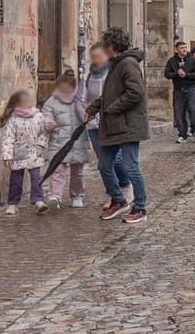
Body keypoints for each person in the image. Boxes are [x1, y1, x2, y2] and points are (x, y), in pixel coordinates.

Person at [90, 27, 150, 224]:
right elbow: (110, 94)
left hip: (127, 125)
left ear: (111, 46)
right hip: (114, 125)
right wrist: (93, 108)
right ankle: (118, 199)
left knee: (130, 166)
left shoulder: (128, 64)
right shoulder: (116, 65)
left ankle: (140, 207)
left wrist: (113, 108)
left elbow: (136, 93)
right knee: (105, 165)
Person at [84, 43, 131, 208]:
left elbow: (115, 95)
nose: (96, 60)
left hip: (110, 121)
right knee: (104, 162)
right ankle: (113, 194)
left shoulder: (114, 73)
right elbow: (81, 97)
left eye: (99, 56)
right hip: (93, 124)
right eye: (93, 57)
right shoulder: (88, 75)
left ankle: (125, 185)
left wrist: (107, 108)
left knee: (116, 160)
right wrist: (86, 110)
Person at [0, 89, 51, 215]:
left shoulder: (38, 116)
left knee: (36, 178)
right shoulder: (13, 119)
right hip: (18, 155)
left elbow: (44, 132)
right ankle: (13, 203)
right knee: (16, 180)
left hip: (34, 154)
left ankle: (38, 201)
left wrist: (40, 146)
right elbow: (8, 138)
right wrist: (7, 156)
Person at [41, 71, 90, 209]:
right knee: (57, 169)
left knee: (78, 172)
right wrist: (48, 123)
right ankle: (55, 196)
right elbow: (45, 116)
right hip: (58, 141)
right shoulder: (51, 102)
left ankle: (77, 195)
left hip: (78, 141)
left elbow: (89, 115)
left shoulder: (80, 100)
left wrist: (88, 111)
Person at [163, 41, 195, 143]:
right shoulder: (172, 61)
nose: (184, 49)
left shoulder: (192, 60)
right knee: (179, 113)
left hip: (191, 88)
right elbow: (167, 74)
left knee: (193, 110)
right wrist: (176, 73)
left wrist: (186, 75)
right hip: (178, 90)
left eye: (185, 47)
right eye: (181, 48)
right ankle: (182, 134)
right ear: (176, 49)